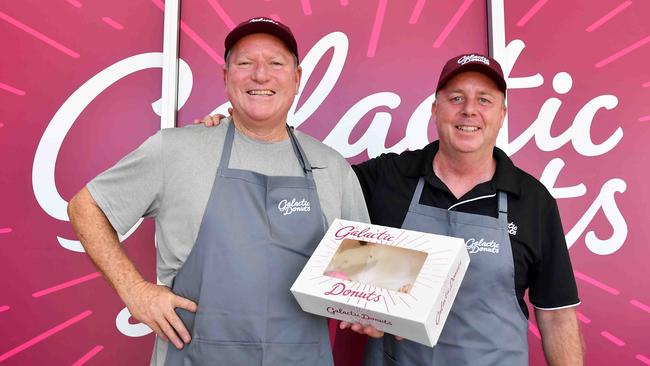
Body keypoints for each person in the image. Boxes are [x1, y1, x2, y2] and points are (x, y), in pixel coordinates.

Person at [201, 53, 583, 365]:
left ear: (502, 113)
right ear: (435, 110)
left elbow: (557, 316)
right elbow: (304, 187)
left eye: (484, 99)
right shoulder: (389, 176)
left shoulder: (534, 201)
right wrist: (246, 133)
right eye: (455, 98)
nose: (469, 110)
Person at [68, 17, 368, 366]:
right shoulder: (174, 151)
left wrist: (373, 314)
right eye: (244, 63)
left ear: (297, 78)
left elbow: (361, 277)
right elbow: (84, 208)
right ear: (225, 78)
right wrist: (135, 291)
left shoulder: (333, 168)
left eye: (275, 63)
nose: (260, 75)